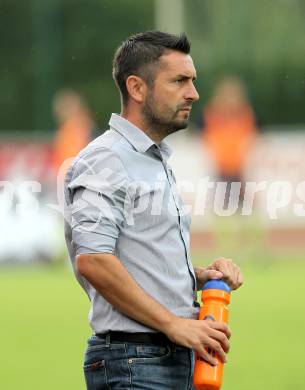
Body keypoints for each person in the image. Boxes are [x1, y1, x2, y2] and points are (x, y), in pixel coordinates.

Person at [64, 31, 243, 390]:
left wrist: (195, 276)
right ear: (137, 88)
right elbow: (94, 258)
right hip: (136, 361)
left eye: (192, 81)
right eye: (179, 81)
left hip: (173, 354)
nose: (193, 93)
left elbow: (137, 257)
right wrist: (174, 323)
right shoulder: (107, 159)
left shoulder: (152, 158)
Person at [202, 77, 256, 209]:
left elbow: (251, 136)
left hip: (240, 167)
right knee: (223, 204)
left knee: (245, 205)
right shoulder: (212, 113)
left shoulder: (245, 113)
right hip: (220, 167)